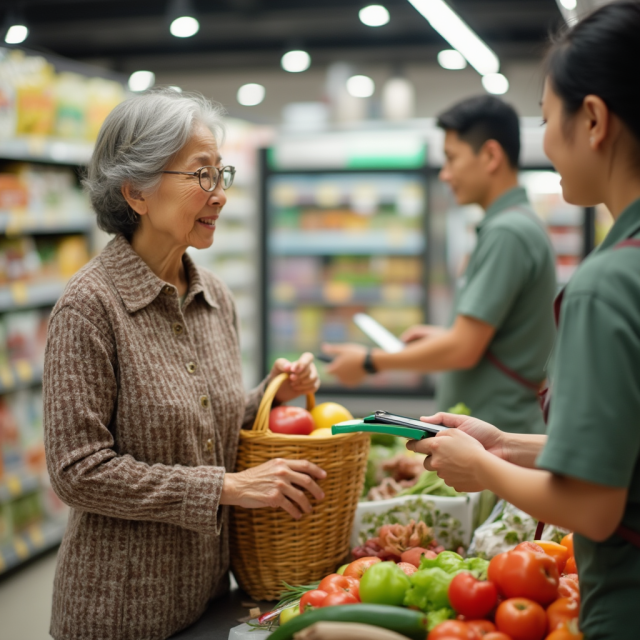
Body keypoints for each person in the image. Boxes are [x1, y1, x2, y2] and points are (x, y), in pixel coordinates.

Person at [44, 89, 325, 640]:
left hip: (206, 597)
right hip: (117, 616)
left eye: (223, 174)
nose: (219, 195)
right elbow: (78, 471)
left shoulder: (214, 295)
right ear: (136, 192)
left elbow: (201, 422)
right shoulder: (89, 308)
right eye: (202, 175)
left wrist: (270, 395)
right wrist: (225, 487)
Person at [409, 2, 640, 638]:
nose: (544, 142)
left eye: (548, 119)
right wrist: (504, 444)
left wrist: (482, 468)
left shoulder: (608, 281)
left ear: (592, 119)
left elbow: (593, 506)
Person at [323, 96, 556, 435]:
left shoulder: (508, 232)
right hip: (494, 430)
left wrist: (370, 362)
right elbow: (487, 338)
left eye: (451, 158)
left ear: (491, 156)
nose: (445, 174)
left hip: (497, 431)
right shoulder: (514, 225)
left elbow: (464, 349)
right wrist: (443, 337)